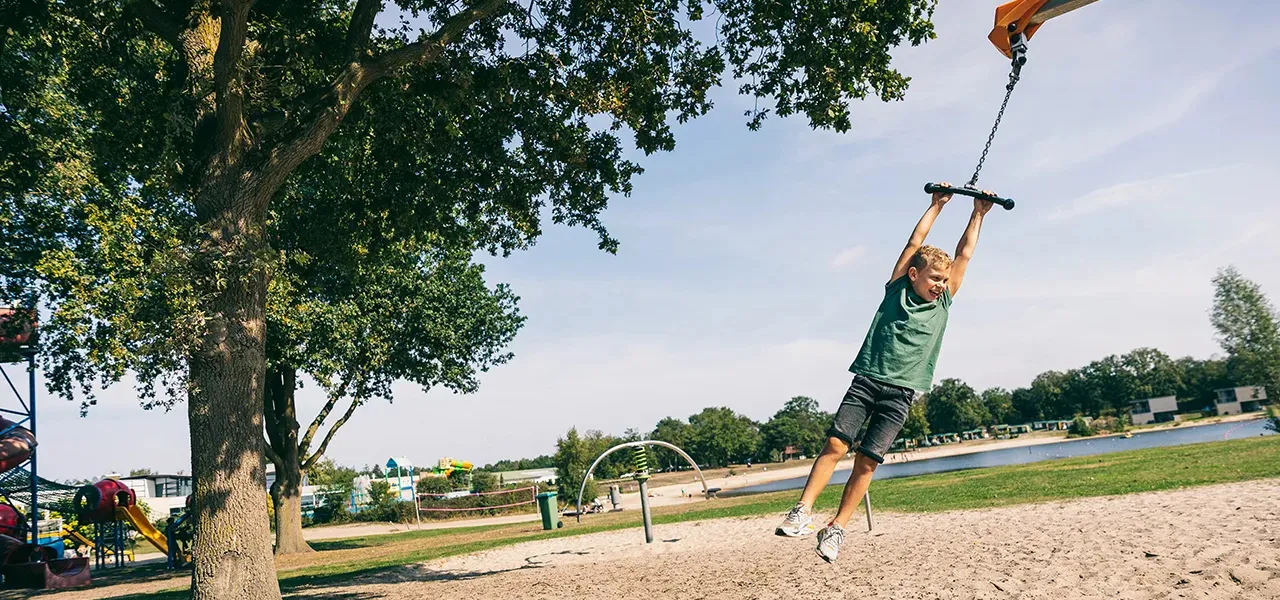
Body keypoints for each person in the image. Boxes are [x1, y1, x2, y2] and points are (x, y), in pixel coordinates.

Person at [773, 183, 996, 562]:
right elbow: (914, 242)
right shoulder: (896, 290)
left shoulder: (944, 302)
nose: (940, 285)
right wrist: (937, 206)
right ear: (913, 274)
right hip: (867, 382)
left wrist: (978, 213)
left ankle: (836, 528)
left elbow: (965, 254)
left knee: (868, 462)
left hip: (901, 394)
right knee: (836, 445)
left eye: (944, 280)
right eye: (934, 278)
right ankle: (802, 511)